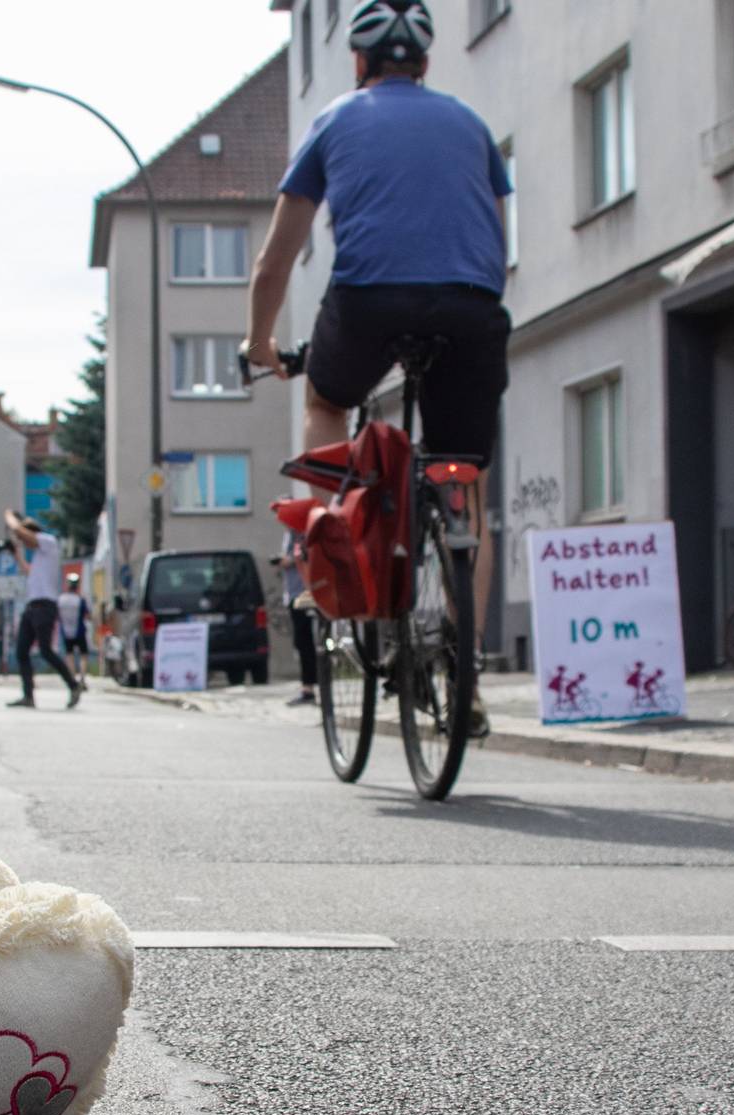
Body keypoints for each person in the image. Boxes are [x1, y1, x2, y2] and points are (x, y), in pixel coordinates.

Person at [243, 0, 506, 733]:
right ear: (426, 63)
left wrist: (260, 343)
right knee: (464, 481)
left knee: (326, 401)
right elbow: (496, 236)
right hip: (472, 307)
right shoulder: (472, 125)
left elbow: (275, 261)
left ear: (359, 63)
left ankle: (332, 546)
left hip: (368, 303)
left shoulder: (334, 121)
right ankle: (464, 670)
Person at [0, 511, 82, 709]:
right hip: (32, 606)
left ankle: (73, 685)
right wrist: (17, 554)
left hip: (45, 606)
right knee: (21, 651)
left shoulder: (48, 542)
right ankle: (28, 696)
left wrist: (10, 517)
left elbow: (19, 530)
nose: (24, 543)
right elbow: (29, 572)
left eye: (24, 539)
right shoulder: (39, 556)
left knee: (46, 650)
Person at [275, 532, 318, 706]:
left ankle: (310, 687)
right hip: (294, 594)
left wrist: (290, 560)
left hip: (305, 594)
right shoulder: (289, 533)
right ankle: (308, 687)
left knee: (305, 641)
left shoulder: (300, 532)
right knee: (301, 642)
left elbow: (308, 553)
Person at [55, 574, 93, 675]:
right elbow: (88, 616)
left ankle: (72, 677)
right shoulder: (80, 600)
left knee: (69, 654)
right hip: (80, 631)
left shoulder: (60, 599)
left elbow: (57, 615)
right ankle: (82, 677)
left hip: (65, 632)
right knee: (83, 654)